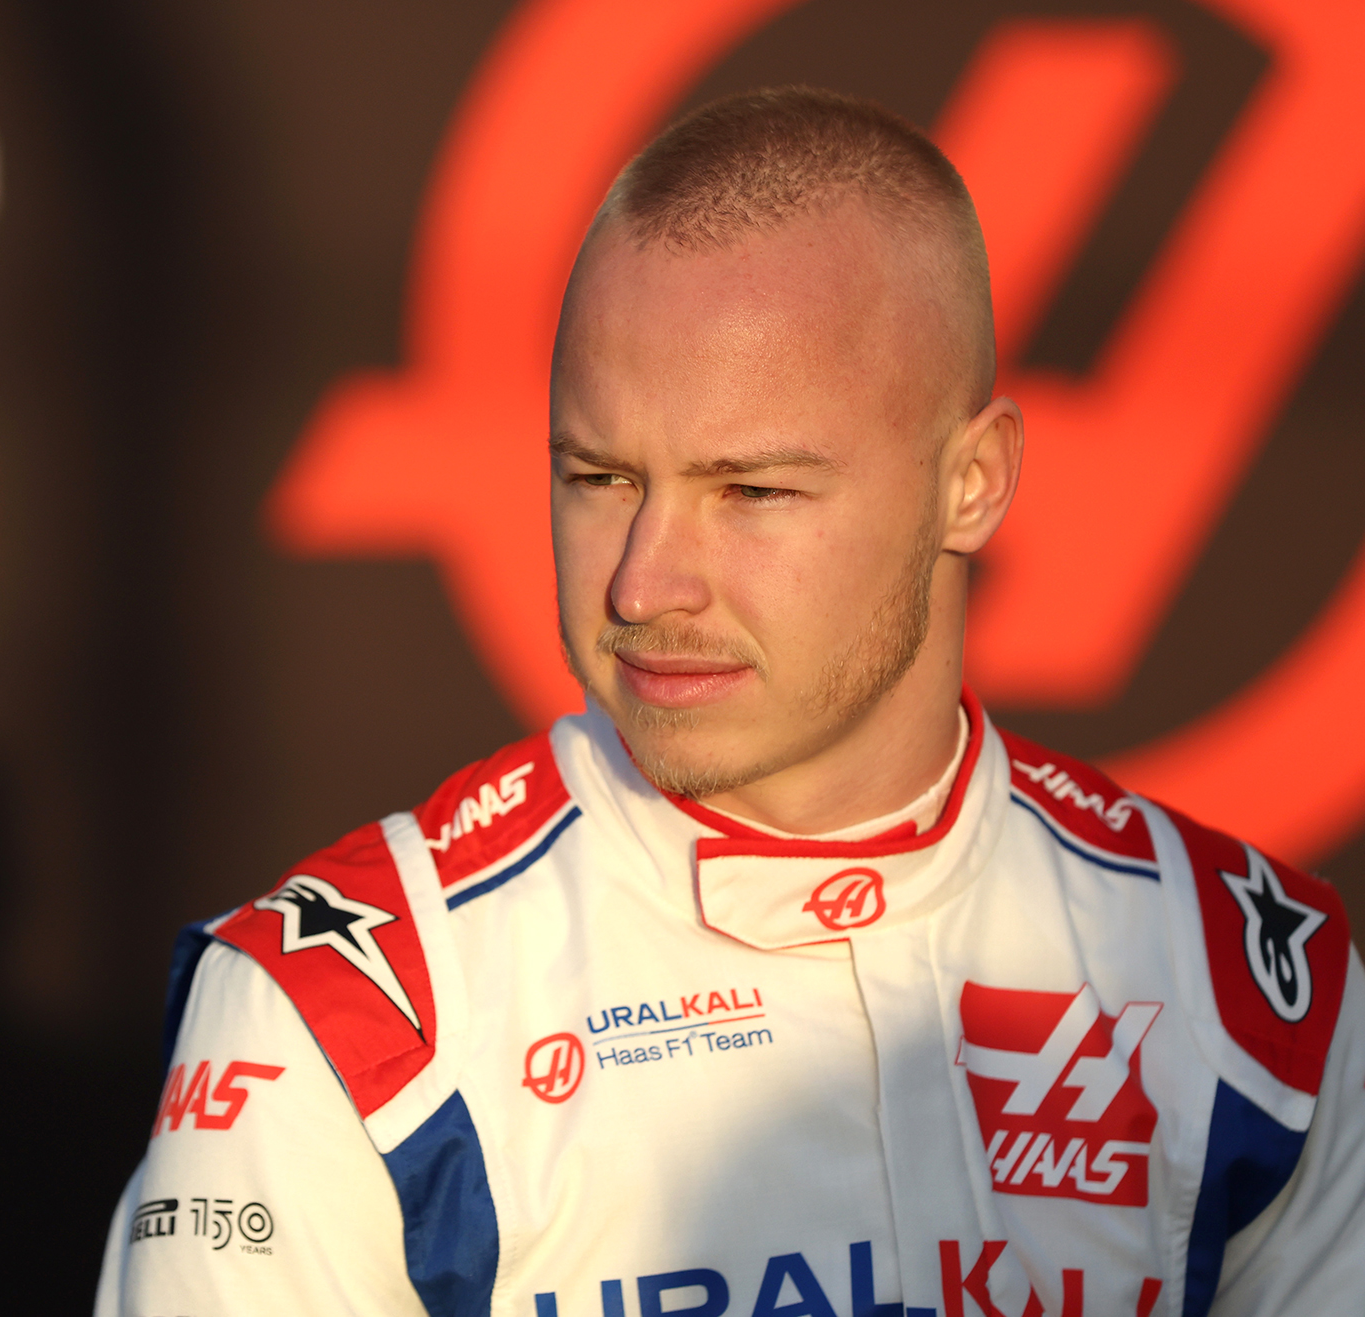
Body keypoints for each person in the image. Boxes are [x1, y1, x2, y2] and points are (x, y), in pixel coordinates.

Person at [94, 87, 1365, 1316]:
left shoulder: (1251, 992)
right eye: (598, 477)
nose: (644, 582)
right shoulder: (353, 1018)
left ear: (970, 484)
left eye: (750, 492)